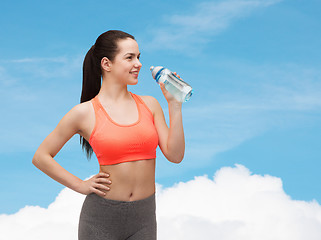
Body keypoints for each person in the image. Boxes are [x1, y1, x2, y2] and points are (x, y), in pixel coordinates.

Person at [32, 30, 185, 240]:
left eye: (139, 57)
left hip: (144, 218)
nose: (138, 63)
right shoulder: (84, 113)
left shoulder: (150, 104)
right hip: (100, 220)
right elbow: (41, 156)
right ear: (106, 64)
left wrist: (174, 104)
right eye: (129, 57)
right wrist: (80, 185)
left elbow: (175, 155)